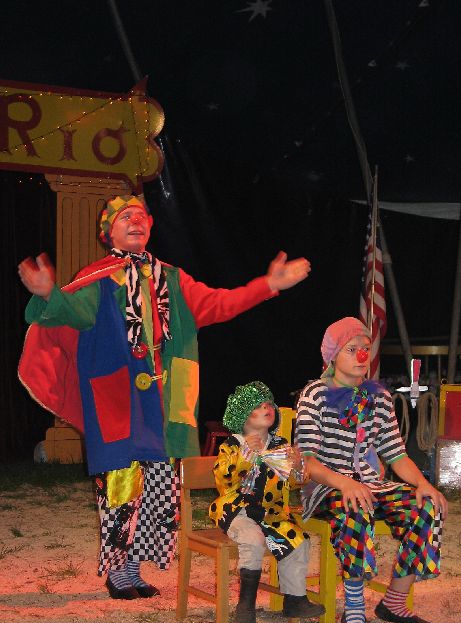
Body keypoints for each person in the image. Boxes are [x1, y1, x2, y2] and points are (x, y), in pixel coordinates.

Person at [18, 194, 310, 601]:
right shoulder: (98, 279)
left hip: (164, 400)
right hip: (118, 397)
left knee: (158, 485)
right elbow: (72, 313)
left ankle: (135, 569)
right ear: (108, 232)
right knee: (121, 483)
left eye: (141, 215)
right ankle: (118, 570)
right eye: (125, 217)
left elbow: (220, 303)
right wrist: (49, 294)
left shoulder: (172, 279)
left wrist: (269, 285)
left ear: (151, 226)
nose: (135, 221)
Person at [295, 317, 447, 623]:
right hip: (326, 488)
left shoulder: (379, 398)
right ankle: (354, 608)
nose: (361, 355)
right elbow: (307, 462)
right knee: (355, 504)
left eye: (365, 348)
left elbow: (397, 455)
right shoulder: (315, 394)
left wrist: (423, 485)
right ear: (333, 355)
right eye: (352, 349)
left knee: (425, 507)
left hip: (371, 486)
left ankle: (394, 603)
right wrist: (345, 483)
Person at [209, 381, 325, 623]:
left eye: (269, 404)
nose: (267, 408)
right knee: (253, 539)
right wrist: (245, 457)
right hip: (237, 512)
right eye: (258, 406)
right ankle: (246, 603)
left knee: (298, 540)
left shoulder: (279, 445)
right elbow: (223, 478)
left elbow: (292, 483)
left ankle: (295, 599)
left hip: (271, 514)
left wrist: (298, 468)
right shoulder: (232, 445)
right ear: (243, 415)